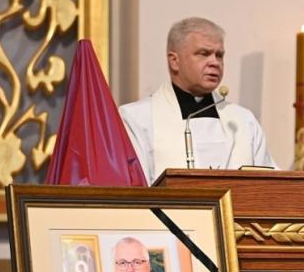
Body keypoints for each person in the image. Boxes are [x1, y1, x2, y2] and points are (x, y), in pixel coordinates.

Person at [119, 17, 277, 183]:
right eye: (204, 54)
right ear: (174, 61)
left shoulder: (243, 121)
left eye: (219, 55)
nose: (215, 62)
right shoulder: (137, 119)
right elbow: (133, 186)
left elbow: (270, 184)